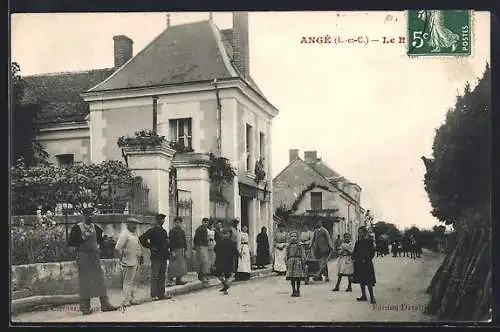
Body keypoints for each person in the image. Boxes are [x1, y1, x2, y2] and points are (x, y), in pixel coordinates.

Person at [68, 208, 118, 315]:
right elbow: (71, 243)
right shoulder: (77, 228)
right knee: (85, 282)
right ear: (84, 216)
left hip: (95, 256)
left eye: (92, 215)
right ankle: (85, 307)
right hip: (83, 256)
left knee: (99, 280)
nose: (90, 217)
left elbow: (101, 240)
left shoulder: (96, 228)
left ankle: (105, 304)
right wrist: (81, 239)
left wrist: (106, 243)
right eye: (88, 215)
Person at [139, 213, 171, 301]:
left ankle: (162, 294)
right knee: (155, 276)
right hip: (156, 257)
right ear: (157, 220)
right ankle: (154, 295)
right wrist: (150, 246)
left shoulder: (164, 231)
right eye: (161, 219)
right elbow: (142, 238)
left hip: (163, 256)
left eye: (163, 219)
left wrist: (168, 252)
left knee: (162, 276)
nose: (162, 221)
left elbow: (166, 243)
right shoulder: (152, 230)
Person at [115, 217, 144, 307]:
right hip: (128, 261)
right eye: (132, 224)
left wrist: (141, 256)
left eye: (136, 224)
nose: (135, 226)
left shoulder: (134, 234)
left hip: (136, 260)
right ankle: (125, 300)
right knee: (127, 281)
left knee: (134, 281)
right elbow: (117, 248)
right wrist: (122, 259)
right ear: (127, 224)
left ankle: (132, 298)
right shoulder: (124, 234)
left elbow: (138, 246)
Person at [352, 226, 376, 304]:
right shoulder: (358, 242)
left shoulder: (369, 241)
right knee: (361, 280)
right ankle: (363, 295)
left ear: (365, 233)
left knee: (369, 281)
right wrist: (354, 258)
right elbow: (355, 252)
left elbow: (372, 253)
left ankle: (372, 297)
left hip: (367, 264)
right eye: (359, 232)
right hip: (359, 263)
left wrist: (367, 259)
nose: (359, 234)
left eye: (361, 232)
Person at [215, 227, 238, 295]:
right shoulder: (219, 242)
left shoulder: (233, 243)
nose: (225, 235)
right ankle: (226, 284)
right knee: (218, 274)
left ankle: (225, 288)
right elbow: (215, 250)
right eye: (224, 234)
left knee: (227, 275)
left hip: (228, 260)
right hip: (220, 260)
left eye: (226, 233)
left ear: (229, 234)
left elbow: (235, 252)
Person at [167, 216, 187, 286]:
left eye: (179, 222)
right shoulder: (172, 231)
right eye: (176, 222)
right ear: (174, 223)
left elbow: (184, 242)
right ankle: (170, 280)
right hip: (174, 250)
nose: (178, 224)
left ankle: (178, 280)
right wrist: (172, 251)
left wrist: (185, 250)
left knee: (181, 266)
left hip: (181, 250)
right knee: (173, 265)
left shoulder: (182, 231)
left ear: (181, 223)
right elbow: (170, 242)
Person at [286, 231, 306, 297]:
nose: (293, 238)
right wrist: (286, 261)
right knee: (292, 277)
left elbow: (303, 254)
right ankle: (293, 290)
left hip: (298, 261)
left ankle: (298, 290)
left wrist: (303, 261)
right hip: (291, 261)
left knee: (297, 277)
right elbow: (286, 254)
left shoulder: (299, 245)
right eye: (292, 236)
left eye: (295, 236)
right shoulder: (288, 245)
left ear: (297, 237)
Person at [193, 217, 210, 283]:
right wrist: (197, 246)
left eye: (207, 222)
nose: (206, 223)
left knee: (204, 262)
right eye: (204, 222)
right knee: (202, 261)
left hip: (204, 246)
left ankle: (203, 276)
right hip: (200, 246)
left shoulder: (205, 229)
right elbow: (196, 238)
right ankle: (201, 276)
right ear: (202, 222)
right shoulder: (199, 229)